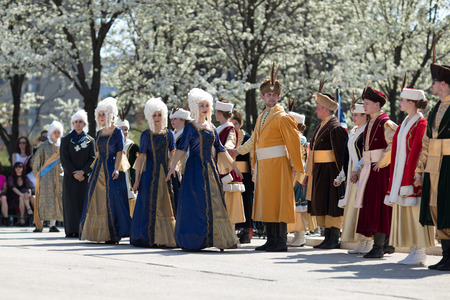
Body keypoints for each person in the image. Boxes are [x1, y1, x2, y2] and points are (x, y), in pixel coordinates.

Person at [229, 64, 304, 252]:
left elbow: (294, 141)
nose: (271, 97)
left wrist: (297, 166)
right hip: (264, 165)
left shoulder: (283, 117)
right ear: (262, 97)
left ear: (278, 97)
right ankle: (271, 239)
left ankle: (280, 241)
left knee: (279, 202)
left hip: (278, 164)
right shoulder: (261, 116)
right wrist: (238, 151)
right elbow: (254, 139)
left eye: (274, 95)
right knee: (268, 203)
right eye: (267, 95)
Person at [166, 88, 241, 251]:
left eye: (206, 105)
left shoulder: (211, 127)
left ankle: (215, 239)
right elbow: (181, 149)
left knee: (214, 201)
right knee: (196, 202)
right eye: (201, 105)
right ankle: (195, 240)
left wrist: (234, 166)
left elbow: (220, 148)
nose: (204, 108)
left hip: (210, 169)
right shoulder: (190, 127)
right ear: (194, 107)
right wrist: (173, 166)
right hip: (194, 169)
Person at [385, 87, 435, 265]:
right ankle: (414, 250)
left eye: (402, 100)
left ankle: (420, 251)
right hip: (401, 176)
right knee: (408, 214)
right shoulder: (406, 122)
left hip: (413, 178)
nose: (399, 102)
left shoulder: (420, 123)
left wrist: (412, 177)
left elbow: (417, 153)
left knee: (415, 214)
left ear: (411, 103)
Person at [415, 42, 450, 270]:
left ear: (444, 84)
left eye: (435, 82)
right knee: (436, 206)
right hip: (434, 166)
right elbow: (426, 143)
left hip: (449, 163)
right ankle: (447, 255)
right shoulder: (434, 109)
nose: (432, 86)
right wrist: (420, 170)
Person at [352, 84, 397, 258]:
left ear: (377, 105)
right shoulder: (372, 122)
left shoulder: (385, 122)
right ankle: (384, 244)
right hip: (370, 169)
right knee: (373, 205)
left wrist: (383, 161)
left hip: (380, 170)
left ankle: (380, 246)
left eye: (368, 103)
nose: (364, 106)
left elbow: (394, 144)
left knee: (380, 206)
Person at [302, 81, 347, 250]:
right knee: (323, 202)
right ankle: (328, 236)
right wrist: (309, 174)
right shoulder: (322, 126)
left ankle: (333, 237)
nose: (316, 110)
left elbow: (341, 155)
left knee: (332, 203)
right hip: (320, 170)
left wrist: (340, 175)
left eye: (318, 107)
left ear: (326, 109)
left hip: (331, 171)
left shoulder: (335, 128)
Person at [79, 97, 131, 244]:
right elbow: (97, 154)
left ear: (110, 114)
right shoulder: (100, 132)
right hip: (99, 169)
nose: (102, 117)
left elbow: (120, 151)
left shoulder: (117, 132)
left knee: (113, 200)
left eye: (104, 114)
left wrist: (116, 169)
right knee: (97, 200)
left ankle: (114, 233)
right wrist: (92, 173)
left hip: (111, 168)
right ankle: (99, 233)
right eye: (100, 114)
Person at [131, 98, 177, 248]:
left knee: (167, 203)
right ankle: (149, 237)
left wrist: (176, 171)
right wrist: (137, 179)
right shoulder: (146, 134)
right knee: (148, 203)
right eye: (154, 115)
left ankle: (166, 237)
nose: (157, 118)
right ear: (150, 116)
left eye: (159, 115)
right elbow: (141, 157)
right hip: (149, 173)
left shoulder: (169, 133)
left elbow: (174, 154)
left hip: (166, 174)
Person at [334, 98, 372, 254]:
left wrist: (358, 169)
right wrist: (341, 176)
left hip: (363, 173)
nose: (353, 118)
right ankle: (361, 242)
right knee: (355, 208)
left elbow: (366, 154)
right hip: (352, 175)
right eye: (353, 115)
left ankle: (368, 241)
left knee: (362, 207)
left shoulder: (367, 131)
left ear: (365, 115)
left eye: (356, 115)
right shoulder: (354, 131)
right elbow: (347, 157)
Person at [60, 110, 96, 238]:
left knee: (82, 202)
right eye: (75, 122)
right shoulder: (66, 140)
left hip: (84, 178)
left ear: (84, 124)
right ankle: (71, 230)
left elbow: (93, 158)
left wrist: (84, 172)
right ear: (72, 124)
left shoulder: (90, 140)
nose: (78, 124)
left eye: (80, 122)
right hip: (70, 177)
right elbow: (64, 159)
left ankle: (83, 229)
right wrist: (74, 173)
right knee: (70, 204)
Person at [287, 111, 317, 247]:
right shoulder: (297, 137)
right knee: (296, 205)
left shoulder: (298, 138)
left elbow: (297, 158)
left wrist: (292, 171)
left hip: (297, 174)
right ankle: (297, 236)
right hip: (297, 173)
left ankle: (300, 236)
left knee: (298, 205)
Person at [215, 98, 245, 228]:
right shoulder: (218, 128)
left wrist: (225, 148)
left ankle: (231, 235)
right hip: (218, 169)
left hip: (227, 171)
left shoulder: (230, 129)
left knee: (229, 207)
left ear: (219, 113)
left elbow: (229, 146)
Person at [32, 121, 64, 232]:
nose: (56, 134)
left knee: (56, 200)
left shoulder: (62, 145)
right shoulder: (44, 146)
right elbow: (36, 161)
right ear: (50, 132)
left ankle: (52, 225)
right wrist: (37, 175)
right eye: (54, 132)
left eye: (58, 132)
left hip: (59, 177)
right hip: (45, 178)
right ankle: (38, 225)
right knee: (42, 201)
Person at [231, 109, 254, 244]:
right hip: (231, 173)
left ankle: (246, 231)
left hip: (245, 174)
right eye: (231, 123)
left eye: (236, 123)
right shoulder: (226, 136)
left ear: (240, 123)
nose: (234, 127)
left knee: (246, 202)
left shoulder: (247, 137)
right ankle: (232, 229)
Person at [169, 107, 193, 215]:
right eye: (172, 119)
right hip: (171, 168)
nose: (172, 121)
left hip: (183, 169)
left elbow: (187, 153)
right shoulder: (171, 134)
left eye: (175, 119)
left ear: (183, 120)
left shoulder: (186, 133)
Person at [115, 115, 139, 218]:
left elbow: (137, 166)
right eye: (121, 129)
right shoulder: (113, 146)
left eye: (126, 130)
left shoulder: (133, 147)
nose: (124, 132)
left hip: (129, 180)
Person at [7, 162, 34, 226]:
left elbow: (29, 188)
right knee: (21, 197)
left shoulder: (25, 178)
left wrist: (29, 194)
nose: (18, 168)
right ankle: (29, 209)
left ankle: (22, 219)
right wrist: (22, 194)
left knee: (22, 197)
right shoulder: (11, 177)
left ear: (23, 168)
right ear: (14, 169)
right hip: (13, 198)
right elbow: (13, 188)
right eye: (16, 167)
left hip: (23, 197)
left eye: (20, 166)